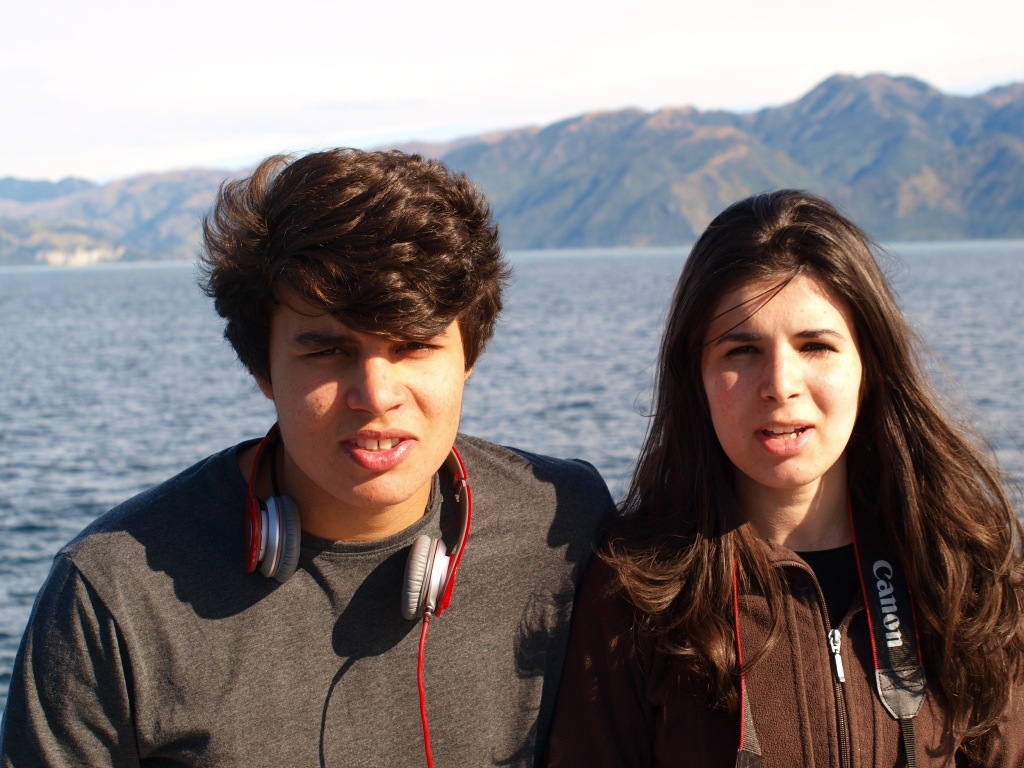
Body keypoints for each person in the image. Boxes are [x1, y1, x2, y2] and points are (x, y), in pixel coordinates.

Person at [0, 149, 614, 767]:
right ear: (262, 368)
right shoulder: (112, 597)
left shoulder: (565, 525)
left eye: (414, 346)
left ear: (469, 357)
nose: (376, 394)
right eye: (328, 352)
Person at [546, 190, 1024, 767]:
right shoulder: (638, 596)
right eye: (742, 350)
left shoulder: (959, 571)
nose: (780, 384)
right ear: (696, 376)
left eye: (815, 346)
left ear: (869, 366)